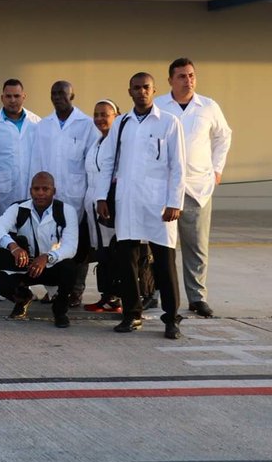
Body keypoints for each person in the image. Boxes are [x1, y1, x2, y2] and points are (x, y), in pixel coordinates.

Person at [94, 72, 187, 339]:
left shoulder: (169, 122)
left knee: (164, 263)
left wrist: (174, 202)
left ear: (154, 90)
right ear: (130, 91)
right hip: (128, 202)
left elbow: (178, 166)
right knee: (127, 262)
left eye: (146, 87)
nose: (141, 91)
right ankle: (131, 314)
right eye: (136, 88)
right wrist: (102, 197)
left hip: (159, 204)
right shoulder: (122, 123)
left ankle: (171, 319)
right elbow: (108, 161)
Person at [154, 57, 232, 318]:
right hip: (165, 188)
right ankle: (155, 293)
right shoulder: (159, 106)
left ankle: (197, 297)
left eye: (191, 75)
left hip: (197, 187)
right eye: (181, 76)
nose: (188, 80)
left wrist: (217, 169)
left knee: (196, 247)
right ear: (170, 80)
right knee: (160, 247)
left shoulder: (208, 106)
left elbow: (224, 136)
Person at [29, 80, 95, 305]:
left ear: (72, 96)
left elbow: (91, 163)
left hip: (76, 195)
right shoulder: (43, 126)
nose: (57, 97)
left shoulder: (86, 125)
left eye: (62, 93)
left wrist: (90, 195)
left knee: (77, 245)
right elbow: (36, 161)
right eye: (54, 93)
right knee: (51, 242)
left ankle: (75, 290)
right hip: (50, 196)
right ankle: (55, 289)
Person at [0, 172, 80, 328]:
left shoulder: (66, 211)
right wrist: (13, 246)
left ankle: (60, 311)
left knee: (69, 269)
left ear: (54, 191)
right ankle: (23, 298)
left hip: (52, 266)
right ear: (30, 191)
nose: (40, 193)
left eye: (45, 189)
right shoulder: (18, 208)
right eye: (36, 189)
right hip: (26, 266)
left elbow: (70, 246)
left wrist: (47, 257)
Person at [83, 99, 123, 313]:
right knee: (102, 253)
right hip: (93, 204)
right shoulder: (98, 141)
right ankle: (107, 296)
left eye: (104, 115)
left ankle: (115, 297)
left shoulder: (119, 143)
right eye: (96, 114)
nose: (99, 119)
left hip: (108, 205)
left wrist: (104, 200)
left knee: (113, 252)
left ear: (116, 116)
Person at [0, 79, 41, 212]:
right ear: (2, 98)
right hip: (2, 194)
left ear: (24, 97)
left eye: (16, 96)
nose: (12, 100)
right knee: (4, 223)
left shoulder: (37, 123)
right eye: (8, 96)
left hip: (31, 191)